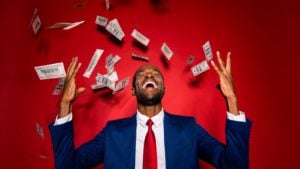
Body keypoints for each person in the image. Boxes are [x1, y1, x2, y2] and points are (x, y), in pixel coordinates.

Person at [49, 51, 251, 169]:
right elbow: (68, 166)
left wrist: (232, 101)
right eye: (142, 75)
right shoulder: (113, 133)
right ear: (133, 89)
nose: (148, 76)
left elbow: (234, 166)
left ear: (163, 88)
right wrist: (65, 105)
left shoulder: (189, 129)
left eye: (155, 75)